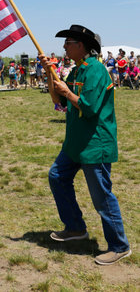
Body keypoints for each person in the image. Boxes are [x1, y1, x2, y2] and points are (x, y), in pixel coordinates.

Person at [39, 24, 131, 266]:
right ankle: (75, 228)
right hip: (76, 143)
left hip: (95, 143)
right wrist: (50, 73)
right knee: (57, 176)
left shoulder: (96, 71)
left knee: (101, 197)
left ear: (82, 45)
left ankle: (119, 246)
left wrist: (67, 94)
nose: (64, 46)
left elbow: (88, 108)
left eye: (68, 42)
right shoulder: (78, 70)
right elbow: (57, 100)